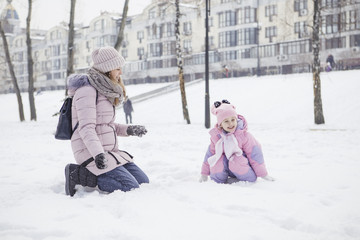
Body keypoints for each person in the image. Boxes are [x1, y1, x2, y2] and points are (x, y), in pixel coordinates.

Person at [64, 46, 149, 196]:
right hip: (92, 154)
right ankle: (79, 175)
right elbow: (86, 128)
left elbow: (106, 125)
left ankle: (99, 173)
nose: (120, 72)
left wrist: (129, 129)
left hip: (109, 152)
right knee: (130, 187)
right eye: (117, 68)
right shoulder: (87, 91)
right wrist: (98, 154)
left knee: (143, 182)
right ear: (107, 69)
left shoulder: (105, 90)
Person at [199, 100, 274, 184]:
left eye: (233, 120)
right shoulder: (217, 138)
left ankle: (248, 179)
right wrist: (204, 173)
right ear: (220, 124)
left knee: (236, 159)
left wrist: (263, 174)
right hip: (228, 169)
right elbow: (210, 154)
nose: (230, 124)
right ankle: (218, 182)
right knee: (217, 159)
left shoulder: (244, 136)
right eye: (226, 121)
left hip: (244, 169)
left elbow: (255, 154)